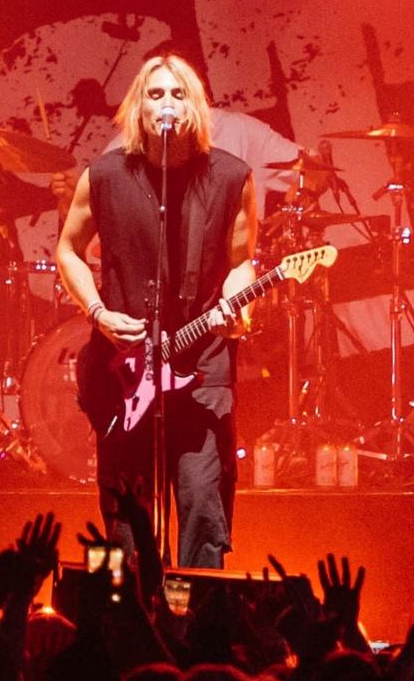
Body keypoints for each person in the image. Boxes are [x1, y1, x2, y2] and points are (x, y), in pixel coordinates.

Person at [52, 51, 260, 569]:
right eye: (155, 93)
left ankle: (197, 626)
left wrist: (238, 309)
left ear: (196, 106)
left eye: (178, 93)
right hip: (126, 372)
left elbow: (242, 262)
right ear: (137, 107)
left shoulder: (232, 177)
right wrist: (98, 312)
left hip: (203, 363)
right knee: (127, 518)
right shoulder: (103, 177)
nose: (167, 103)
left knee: (202, 511)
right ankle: (132, 629)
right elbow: (68, 250)